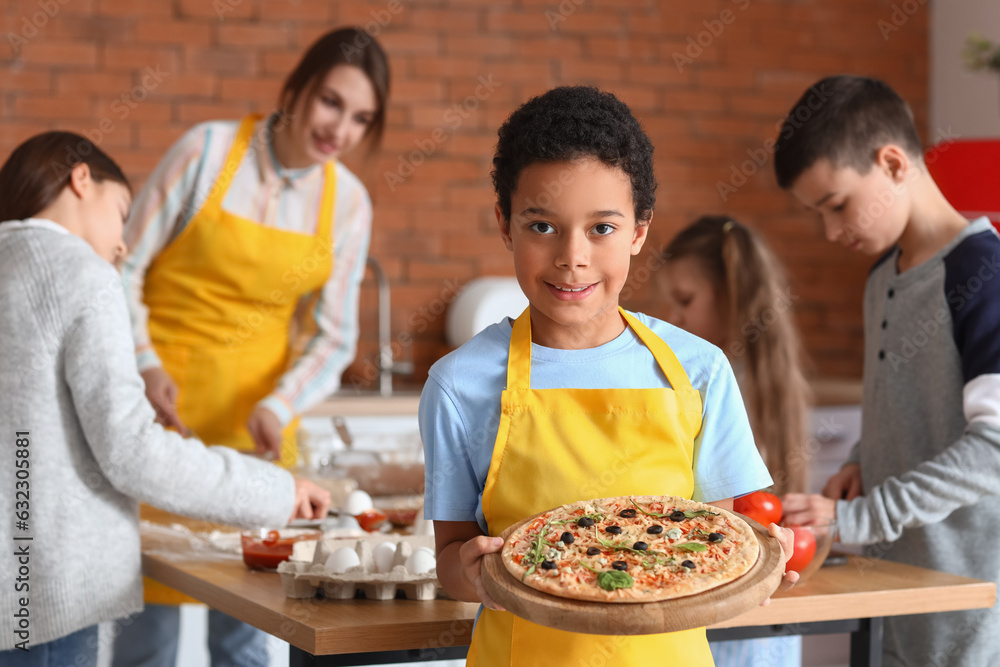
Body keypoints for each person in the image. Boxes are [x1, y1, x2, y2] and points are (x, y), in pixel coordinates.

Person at [419, 86, 796, 666]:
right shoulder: (457, 385)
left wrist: (767, 559)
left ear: (640, 230)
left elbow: (737, 531)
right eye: (542, 226)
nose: (573, 256)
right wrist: (470, 575)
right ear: (505, 223)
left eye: (602, 228)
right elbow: (449, 555)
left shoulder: (698, 369)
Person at [113, 26, 389, 667]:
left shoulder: (348, 202)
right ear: (296, 88)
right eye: (330, 102)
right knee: (146, 634)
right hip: (159, 420)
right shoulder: (205, 151)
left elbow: (334, 334)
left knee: (248, 632)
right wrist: (145, 366)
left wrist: (280, 404)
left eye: (361, 118)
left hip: (257, 433)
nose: (340, 129)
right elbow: (122, 268)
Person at [0, 131, 330, 666]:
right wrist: (276, 492)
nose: (123, 244)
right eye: (121, 209)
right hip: (47, 595)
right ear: (80, 180)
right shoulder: (86, 274)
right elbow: (132, 451)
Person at [775, 74, 1000, 667]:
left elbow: (995, 448)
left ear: (894, 163)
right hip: (894, 595)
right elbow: (912, 411)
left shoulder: (983, 275)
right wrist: (861, 464)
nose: (831, 231)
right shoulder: (882, 279)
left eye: (837, 206)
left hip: (971, 611)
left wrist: (859, 517)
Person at [659, 215, 812, 667]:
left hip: (726, 592)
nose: (674, 318)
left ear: (730, 296)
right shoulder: (775, 381)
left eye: (685, 300)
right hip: (747, 591)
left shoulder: (709, 385)